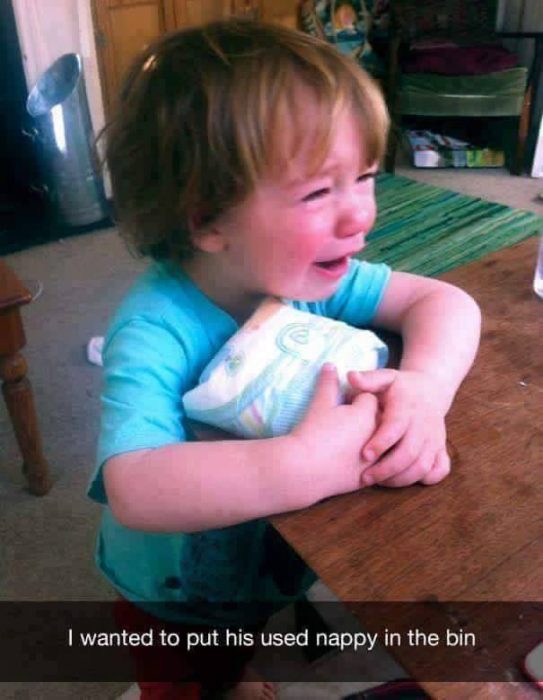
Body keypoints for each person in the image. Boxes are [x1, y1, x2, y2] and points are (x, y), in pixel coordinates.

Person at [88, 19, 481, 700]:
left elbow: (446, 303)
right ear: (206, 219)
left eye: (362, 177)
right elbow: (133, 485)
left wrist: (424, 388)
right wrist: (304, 465)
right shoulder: (154, 330)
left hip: (267, 553)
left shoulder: (312, 273)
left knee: (243, 642)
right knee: (190, 681)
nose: (359, 216)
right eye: (317, 192)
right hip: (176, 598)